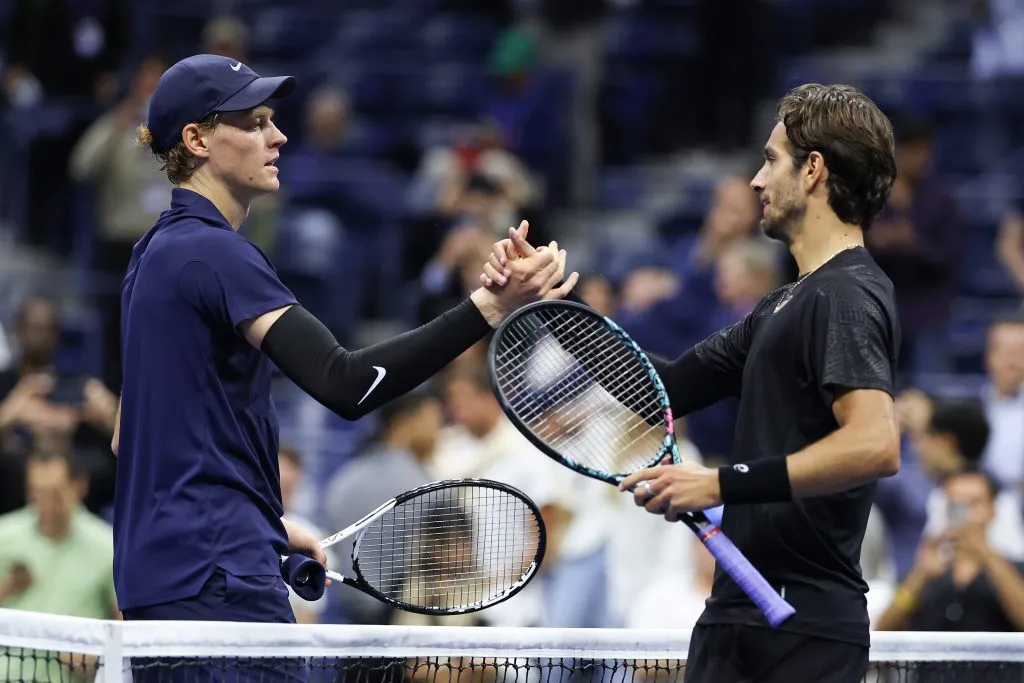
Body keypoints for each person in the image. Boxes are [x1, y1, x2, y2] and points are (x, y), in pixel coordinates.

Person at [111, 52, 576, 640]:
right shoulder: (215, 252)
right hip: (217, 578)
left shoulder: (149, 256)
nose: (277, 135)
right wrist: (488, 308)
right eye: (253, 123)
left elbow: (128, 434)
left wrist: (267, 529)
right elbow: (347, 383)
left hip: (159, 577)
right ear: (198, 139)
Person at [484, 83, 902, 683]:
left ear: (814, 170)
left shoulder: (848, 295)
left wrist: (717, 483)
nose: (757, 181)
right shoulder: (784, 304)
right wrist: (554, 305)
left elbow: (874, 445)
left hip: (802, 622)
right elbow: (664, 385)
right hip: (737, 613)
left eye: (771, 160)